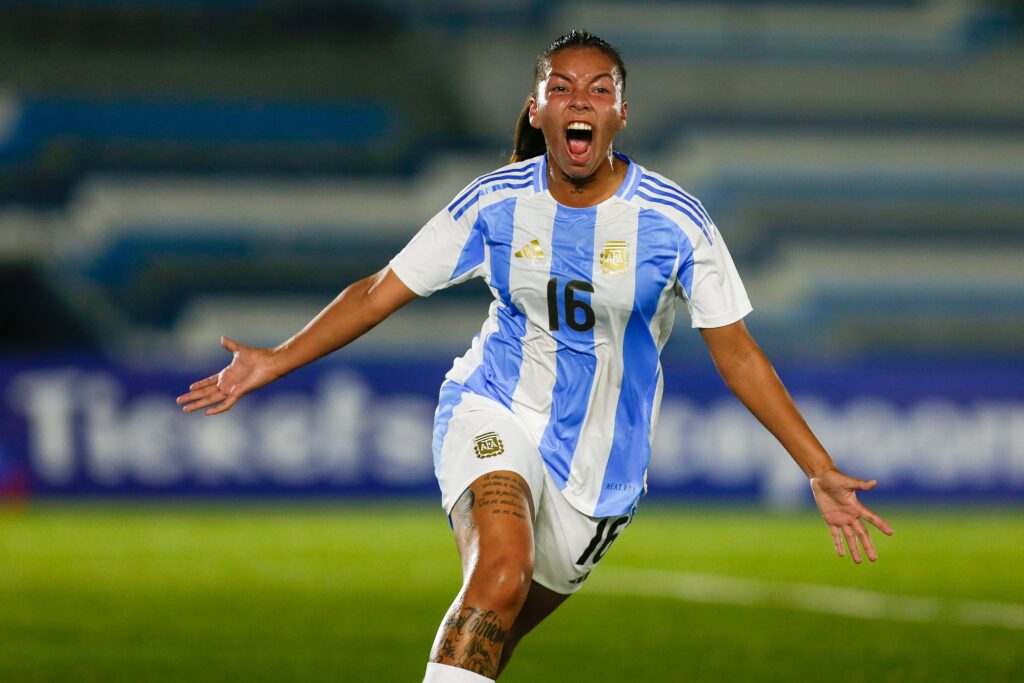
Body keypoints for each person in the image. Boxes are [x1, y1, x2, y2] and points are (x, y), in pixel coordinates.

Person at [177, 30, 894, 683]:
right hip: (492, 406)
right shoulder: (493, 203)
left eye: (599, 89)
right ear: (537, 108)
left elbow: (738, 356)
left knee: (496, 629)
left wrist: (815, 464)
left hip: (600, 473)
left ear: (620, 115)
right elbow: (378, 291)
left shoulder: (676, 223)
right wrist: (277, 359)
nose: (579, 101)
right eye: (561, 87)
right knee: (499, 572)